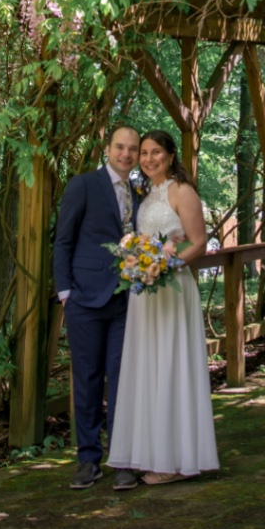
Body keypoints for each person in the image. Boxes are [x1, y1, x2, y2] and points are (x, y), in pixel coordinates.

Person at [107, 129, 220, 484]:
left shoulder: (181, 190)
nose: (148, 158)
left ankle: (174, 463)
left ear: (171, 156)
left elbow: (199, 243)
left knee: (171, 367)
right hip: (146, 292)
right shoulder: (147, 192)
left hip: (170, 288)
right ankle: (153, 452)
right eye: (144, 152)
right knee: (150, 369)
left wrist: (164, 268)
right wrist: (141, 267)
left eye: (156, 152)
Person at [52, 124, 142, 491]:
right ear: (107, 149)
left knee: (122, 380)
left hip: (127, 301)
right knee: (87, 381)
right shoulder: (83, 184)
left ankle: (121, 458)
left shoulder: (140, 191)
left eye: (133, 149)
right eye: (120, 147)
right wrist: (65, 293)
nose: (126, 154)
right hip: (84, 300)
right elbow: (63, 240)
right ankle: (88, 459)